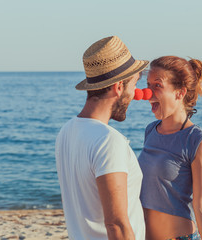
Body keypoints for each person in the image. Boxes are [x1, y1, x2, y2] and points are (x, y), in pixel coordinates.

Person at [55, 36, 149, 240]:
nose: (135, 94)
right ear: (118, 87)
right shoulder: (108, 141)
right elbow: (116, 224)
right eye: (133, 85)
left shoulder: (66, 132)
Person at [138, 56, 202, 240]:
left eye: (157, 85)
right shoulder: (150, 130)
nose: (147, 92)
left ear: (179, 93)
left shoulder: (198, 140)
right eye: (148, 84)